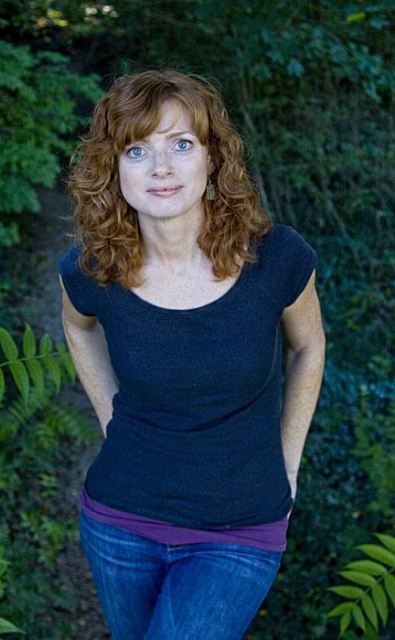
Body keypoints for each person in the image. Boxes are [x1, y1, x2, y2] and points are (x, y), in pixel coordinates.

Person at [58, 68, 326, 640]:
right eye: (137, 150)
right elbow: (79, 330)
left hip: (241, 527)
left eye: (181, 144)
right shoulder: (92, 269)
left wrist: (288, 463)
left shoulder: (277, 259)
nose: (161, 167)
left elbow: (308, 346)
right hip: (119, 522)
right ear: (113, 169)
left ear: (212, 159)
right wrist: (110, 416)